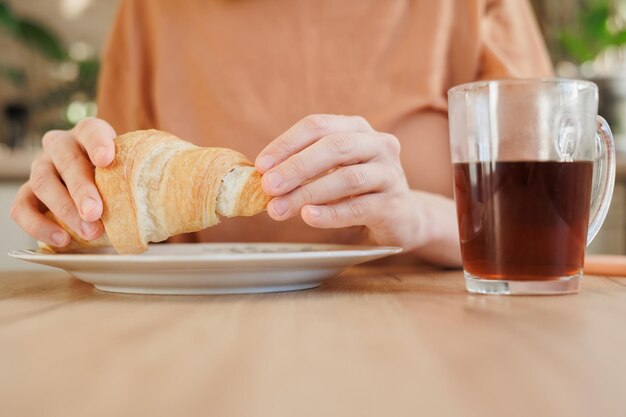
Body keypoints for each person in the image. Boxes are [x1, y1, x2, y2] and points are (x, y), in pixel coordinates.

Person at [10, 0, 552, 266]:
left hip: (443, 347)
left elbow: (544, 227)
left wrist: (415, 215)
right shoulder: (156, 10)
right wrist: (73, 198)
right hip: (197, 351)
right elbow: (117, 227)